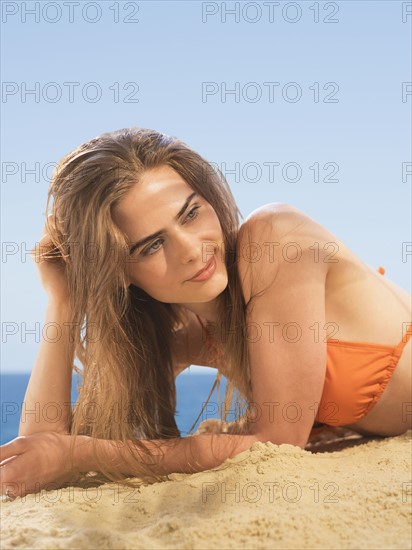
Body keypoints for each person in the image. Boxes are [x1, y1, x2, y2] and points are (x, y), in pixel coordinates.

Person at [1, 127, 411, 499]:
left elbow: (278, 441)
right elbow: (38, 450)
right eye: (151, 246)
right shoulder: (188, 335)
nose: (192, 249)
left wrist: (77, 454)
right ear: (119, 274)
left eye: (191, 213)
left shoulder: (275, 240)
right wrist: (63, 302)